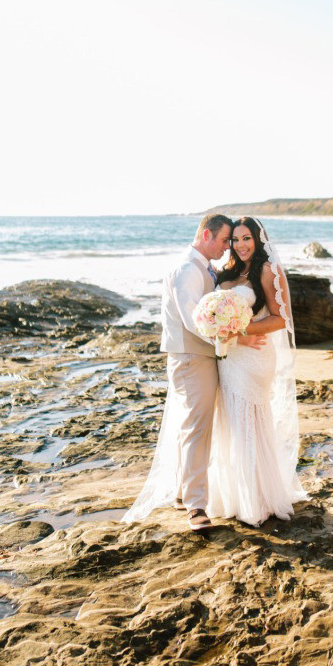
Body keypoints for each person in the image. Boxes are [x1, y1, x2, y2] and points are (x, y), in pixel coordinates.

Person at [122, 213, 265, 531]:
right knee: (197, 430)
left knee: (192, 426)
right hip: (191, 358)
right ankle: (196, 509)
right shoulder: (188, 269)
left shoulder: (204, 268)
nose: (229, 246)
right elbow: (193, 320)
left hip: (200, 357)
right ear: (206, 235)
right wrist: (235, 336)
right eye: (226, 239)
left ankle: (183, 492)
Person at [207, 216, 310, 526]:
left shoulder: (267, 270)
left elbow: (282, 319)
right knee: (231, 423)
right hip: (229, 356)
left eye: (246, 238)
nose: (240, 245)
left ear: (258, 239)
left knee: (249, 422)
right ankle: (235, 495)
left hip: (254, 357)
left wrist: (243, 329)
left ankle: (258, 498)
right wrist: (222, 329)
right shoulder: (227, 272)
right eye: (235, 240)